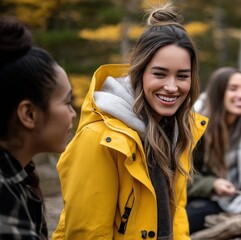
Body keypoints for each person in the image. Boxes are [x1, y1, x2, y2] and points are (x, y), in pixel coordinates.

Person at [51, 3, 207, 240]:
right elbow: (88, 233)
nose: (172, 86)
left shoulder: (178, 132)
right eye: (160, 73)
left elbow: (177, 217)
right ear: (139, 72)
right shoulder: (100, 138)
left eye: (182, 76)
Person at [0, 16, 76, 239]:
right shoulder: (3, 196)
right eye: (67, 102)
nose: (73, 113)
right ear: (29, 114)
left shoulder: (15, 180)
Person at [186, 67, 241, 233]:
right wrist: (213, 184)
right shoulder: (195, 123)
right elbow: (181, 176)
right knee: (194, 215)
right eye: (233, 89)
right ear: (218, 94)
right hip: (208, 198)